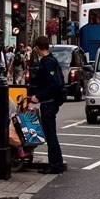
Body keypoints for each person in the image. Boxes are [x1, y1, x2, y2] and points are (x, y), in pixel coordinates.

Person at [28, 35, 66, 174]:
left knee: (50, 134)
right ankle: (57, 163)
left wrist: (38, 96)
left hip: (49, 103)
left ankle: (55, 165)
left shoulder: (48, 62)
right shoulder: (50, 61)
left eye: (36, 49)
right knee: (49, 133)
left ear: (38, 48)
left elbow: (55, 83)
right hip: (50, 103)